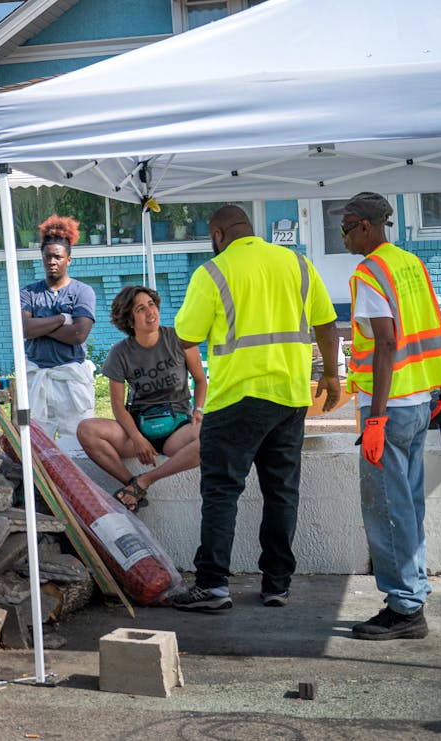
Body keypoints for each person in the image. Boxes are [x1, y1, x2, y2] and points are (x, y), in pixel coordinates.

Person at [170, 205, 340, 613]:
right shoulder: (296, 263)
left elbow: (186, 335)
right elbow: (326, 322)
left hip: (237, 399)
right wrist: (332, 375)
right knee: (281, 492)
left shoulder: (212, 272)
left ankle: (212, 585)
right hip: (290, 396)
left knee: (221, 491)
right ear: (250, 228)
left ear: (217, 234)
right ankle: (277, 584)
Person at [336, 191, 441, 640]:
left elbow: (387, 344)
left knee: (388, 510)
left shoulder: (370, 272)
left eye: (347, 227)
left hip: (389, 411)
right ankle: (414, 593)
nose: (345, 236)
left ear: (367, 226)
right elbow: (437, 328)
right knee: (408, 506)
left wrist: (373, 420)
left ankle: (405, 607)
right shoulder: (411, 265)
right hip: (417, 404)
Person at [77, 285, 207, 512]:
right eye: (140, 309)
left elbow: (201, 380)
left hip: (177, 427)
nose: (150, 312)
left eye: (152, 304)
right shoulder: (120, 353)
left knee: (210, 436)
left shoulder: (179, 339)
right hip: (138, 427)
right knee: (86, 429)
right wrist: (136, 437)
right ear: (129, 320)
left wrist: (198, 410)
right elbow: (117, 405)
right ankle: (131, 484)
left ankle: (144, 481)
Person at [20, 215, 97, 434]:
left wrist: (40, 327)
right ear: (41, 258)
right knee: (36, 446)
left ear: (68, 260)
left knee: (77, 445)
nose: (52, 262)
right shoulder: (29, 292)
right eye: (47, 257)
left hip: (70, 380)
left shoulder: (82, 292)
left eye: (58, 257)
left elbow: (79, 334)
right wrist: (62, 319)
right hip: (37, 378)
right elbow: (25, 329)